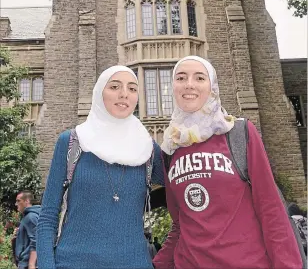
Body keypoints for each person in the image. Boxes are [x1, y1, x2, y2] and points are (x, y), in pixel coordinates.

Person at [153, 55, 302, 269]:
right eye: (181, 78)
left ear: (212, 86)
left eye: (200, 78)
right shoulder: (170, 148)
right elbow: (180, 224)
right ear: (173, 87)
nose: (189, 85)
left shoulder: (238, 133)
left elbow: (271, 210)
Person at [37, 65, 164, 269]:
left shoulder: (149, 149)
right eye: (114, 86)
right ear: (99, 93)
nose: (124, 94)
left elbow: (187, 192)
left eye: (132, 89)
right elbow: (47, 217)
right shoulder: (71, 143)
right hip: (73, 263)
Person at [14, 191, 41, 269]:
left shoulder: (30, 217)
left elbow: (36, 240)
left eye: (18, 201)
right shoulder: (30, 216)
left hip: (27, 264)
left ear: (27, 201)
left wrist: (31, 264)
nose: (16, 204)